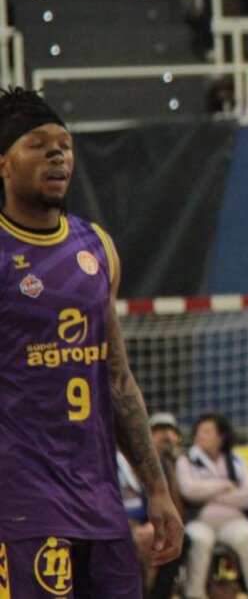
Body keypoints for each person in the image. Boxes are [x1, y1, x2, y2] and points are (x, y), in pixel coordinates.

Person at [0, 88, 184, 596]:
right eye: (38, 145)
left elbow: (117, 378)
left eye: (64, 145)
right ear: (3, 164)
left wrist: (157, 490)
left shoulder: (97, 246)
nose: (57, 155)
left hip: (101, 504)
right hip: (22, 505)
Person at [177, 413, 248, 598]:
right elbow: (188, 490)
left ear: (221, 437)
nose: (200, 435)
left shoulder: (237, 461)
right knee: (198, 540)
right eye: (198, 431)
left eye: (206, 432)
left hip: (233, 521)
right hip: (200, 521)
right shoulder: (186, 460)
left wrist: (209, 495)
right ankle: (194, 595)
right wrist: (224, 485)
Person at [148, 413, 187, 599]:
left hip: (179, 522)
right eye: (160, 430)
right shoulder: (141, 464)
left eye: (170, 430)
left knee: (186, 539)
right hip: (149, 520)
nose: (166, 435)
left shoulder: (185, 462)